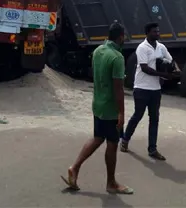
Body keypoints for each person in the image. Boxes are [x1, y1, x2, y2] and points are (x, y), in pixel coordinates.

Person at [62, 24, 133, 194]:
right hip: (110, 108)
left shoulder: (98, 51)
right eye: (125, 37)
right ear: (121, 37)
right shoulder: (117, 58)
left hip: (98, 104)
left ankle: (75, 167)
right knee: (112, 143)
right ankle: (111, 183)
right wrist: (121, 113)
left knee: (98, 137)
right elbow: (118, 89)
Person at [120, 22, 178, 160]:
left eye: (158, 31)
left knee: (154, 119)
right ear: (147, 33)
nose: (157, 34)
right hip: (141, 88)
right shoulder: (142, 48)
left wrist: (176, 70)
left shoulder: (161, 47)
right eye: (154, 32)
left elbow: (171, 61)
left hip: (155, 89)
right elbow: (145, 68)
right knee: (138, 116)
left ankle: (152, 149)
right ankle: (125, 140)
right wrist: (163, 75)